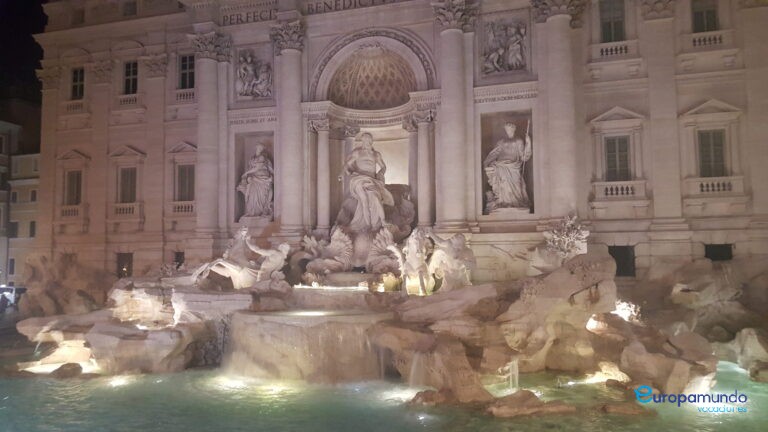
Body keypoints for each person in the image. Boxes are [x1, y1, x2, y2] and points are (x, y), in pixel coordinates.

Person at [340, 133, 394, 232]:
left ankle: (383, 221)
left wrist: (381, 174)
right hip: (359, 179)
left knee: (375, 198)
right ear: (362, 141)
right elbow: (347, 165)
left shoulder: (376, 154)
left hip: (372, 180)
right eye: (365, 140)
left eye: (369, 140)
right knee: (364, 200)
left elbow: (383, 167)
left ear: (371, 141)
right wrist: (344, 173)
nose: (367, 142)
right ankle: (368, 225)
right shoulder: (358, 153)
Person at [483, 121, 532, 210]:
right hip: (501, 165)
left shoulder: (518, 141)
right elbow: (495, 153)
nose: (509, 131)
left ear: (514, 130)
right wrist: (487, 162)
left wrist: (528, 143)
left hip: (514, 166)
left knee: (517, 183)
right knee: (503, 183)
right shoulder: (501, 142)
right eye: (507, 129)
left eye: (510, 129)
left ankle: (516, 202)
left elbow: (524, 157)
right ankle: (504, 202)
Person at [237, 144, 274, 217]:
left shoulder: (262, 157)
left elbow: (258, 168)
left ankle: (261, 211)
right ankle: (252, 212)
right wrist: (248, 175)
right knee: (252, 195)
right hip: (254, 178)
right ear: (256, 148)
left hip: (262, 179)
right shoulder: (252, 158)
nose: (259, 149)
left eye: (261, 148)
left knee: (261, 196)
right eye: (258, 148)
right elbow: (251, 168)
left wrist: (246, 173)